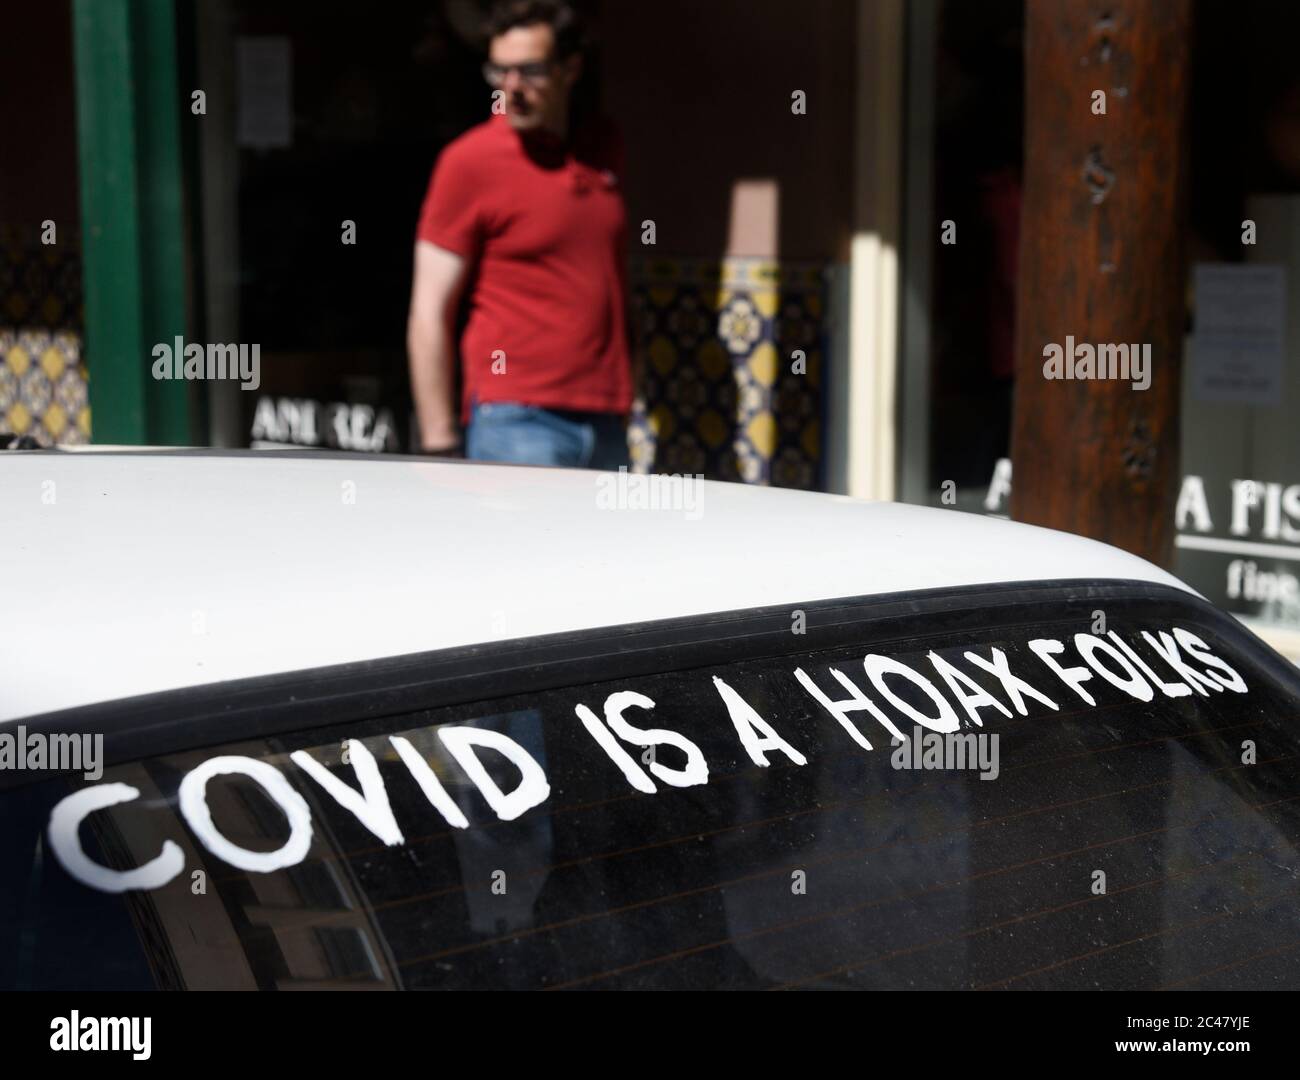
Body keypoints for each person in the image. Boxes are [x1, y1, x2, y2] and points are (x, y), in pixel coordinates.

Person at [407, 0, 632, 468]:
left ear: (571, 68)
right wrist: (438, 439)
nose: (511, 89)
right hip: (515, 419)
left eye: (529, 71)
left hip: (606, 414)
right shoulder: (470, 163)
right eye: (499, 72)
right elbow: (429, 309)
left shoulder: (602, 147)